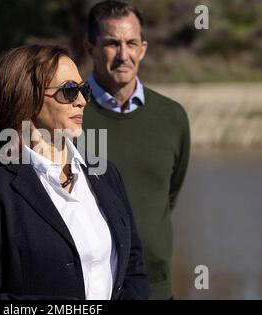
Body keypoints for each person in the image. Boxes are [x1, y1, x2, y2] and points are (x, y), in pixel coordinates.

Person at [0, 44, 149, 300]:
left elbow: (134, 268)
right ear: (27, 100)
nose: (81, 100)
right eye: (68, 91)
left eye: (84, 89)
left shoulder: (106, 174)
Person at [83, 1, 191, 299]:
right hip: (92, 290)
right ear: (90, 47)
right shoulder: (67, 114)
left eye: (131, 43)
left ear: (143, 48)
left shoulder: (173, 117)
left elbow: (167, 196)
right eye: (111, 44)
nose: (123, 55)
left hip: (158, 290)